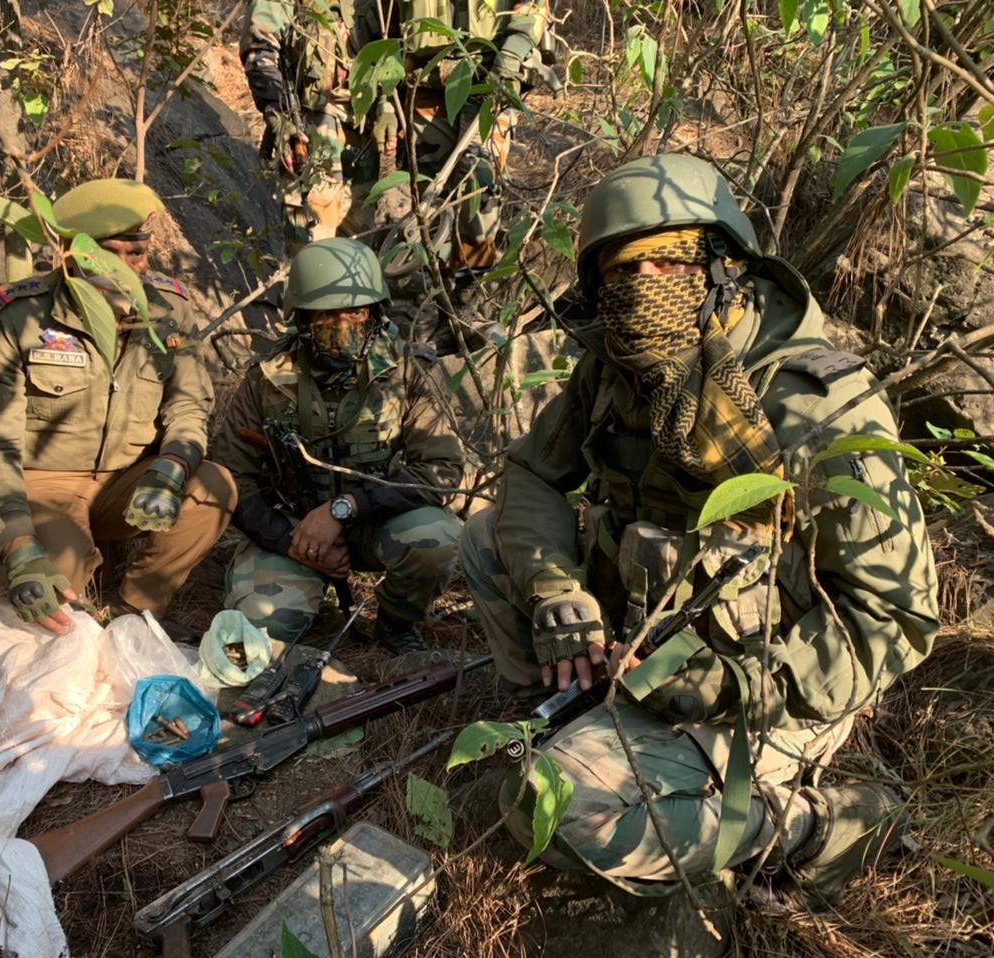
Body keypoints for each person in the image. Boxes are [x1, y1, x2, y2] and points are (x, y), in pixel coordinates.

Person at [460, 154, 939, 900]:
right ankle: (575, 707)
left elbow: (896, 618)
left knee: (552, 808)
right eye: (620, 275)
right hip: (642, 636)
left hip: (770, 678)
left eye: (668, 263)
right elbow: (531, 473)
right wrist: (559, 592)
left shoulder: (817, 403)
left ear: (726, 265)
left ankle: (815, 827)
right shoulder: (616, 370)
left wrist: (736, 683)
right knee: (487, 540)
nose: (643, 289)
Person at [0, 178, 236, 633]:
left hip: (131, 480)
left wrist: (173, 463)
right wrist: (18, 541)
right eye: (114, 253)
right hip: (45, 485)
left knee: (213, 486)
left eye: (139, 253)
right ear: (71, 252)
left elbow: (190, 402)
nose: (129, 268)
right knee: (56, 610)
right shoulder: (17, 314)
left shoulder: (168, 308)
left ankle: (134, 614)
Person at [217, 237, 465, 652]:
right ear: (303, 318)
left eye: (356, 311)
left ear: (376, 314)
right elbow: (232, 478)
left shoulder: (404, 373)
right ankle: (297, 590)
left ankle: (397, 625)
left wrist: (345, 508)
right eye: (328, 314)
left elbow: (441, 470)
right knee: (263, 630)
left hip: (373, 523)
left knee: (436, 537)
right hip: (289, 531)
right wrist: (294, 542)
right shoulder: (266, 380)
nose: (344, 324)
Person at [240, 0, 552, 270]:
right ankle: (309, 319)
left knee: (362, 235)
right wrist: (278, 116)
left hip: (364, 125)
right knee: (313, 230)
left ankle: (454, 303)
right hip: (313, 122)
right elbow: (261, 48)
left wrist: (385, 104)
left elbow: (385, 47)